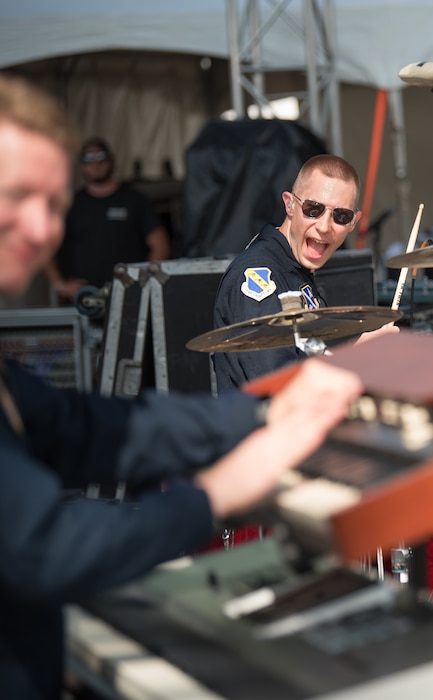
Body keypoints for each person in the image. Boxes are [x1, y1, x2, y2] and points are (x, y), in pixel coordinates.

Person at [0, 72, 364, 698]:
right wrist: (214, 493)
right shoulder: (261, 272)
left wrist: (259, 421)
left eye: (55, 205)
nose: (41, 229)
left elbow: (82, 424)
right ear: (288, 203)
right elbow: (45, 549)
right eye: (18, 194)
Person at [212, 154, 396, 392]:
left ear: (354, 222)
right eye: (313, 209)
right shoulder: (259, 274)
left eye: (341, 216)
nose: (324, 226)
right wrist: (354, 356)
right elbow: (277, 383)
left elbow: (305, 355)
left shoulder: (296, 267)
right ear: (289, 204)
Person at [44, 136, 171, 302]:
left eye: (101, 157)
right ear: (82, 165)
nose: (96, 163)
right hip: (83, 299)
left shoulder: (134, 200)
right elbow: (45, 246)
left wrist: (144, 282)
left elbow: (160, 244)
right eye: (88, 158)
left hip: (127, 298)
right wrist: (60, 284)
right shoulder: (70, 204)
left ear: (111, 160)